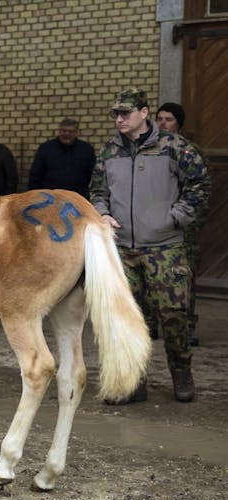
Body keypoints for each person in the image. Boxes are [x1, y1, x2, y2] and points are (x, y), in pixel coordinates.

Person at [89, 88, 210, 404]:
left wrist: (175, 217)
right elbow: (97, 191)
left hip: (164, 248)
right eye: (115, 114)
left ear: (144, 113)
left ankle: (181, 373)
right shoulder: (109, 152)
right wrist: (102, 214)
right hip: (123, 251)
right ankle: (134, 382)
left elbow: (200, 185)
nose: (119, 119)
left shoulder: (173, 148)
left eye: (125, 113)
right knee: (130, 319)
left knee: (174, 316)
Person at [155, 102, 203, 347]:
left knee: (183, 279)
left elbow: (198, 189)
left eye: (169, 119)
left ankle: (187, 328)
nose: (163, 123)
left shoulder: (188, 151)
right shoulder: (150, 150)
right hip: (153, 227)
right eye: (160, 118)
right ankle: (152, 325)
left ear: (179, 123)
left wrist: (179, 216)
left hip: (182, 227)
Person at [27, 118, 96, 197]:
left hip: (78, 198)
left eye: (70, 131)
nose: (66, 134)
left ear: (76, 133)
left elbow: (93, 176)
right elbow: (35, 176)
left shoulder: (86, 150)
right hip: (51, 198)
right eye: (63, 131)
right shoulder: (46, 149)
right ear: (59, 131)